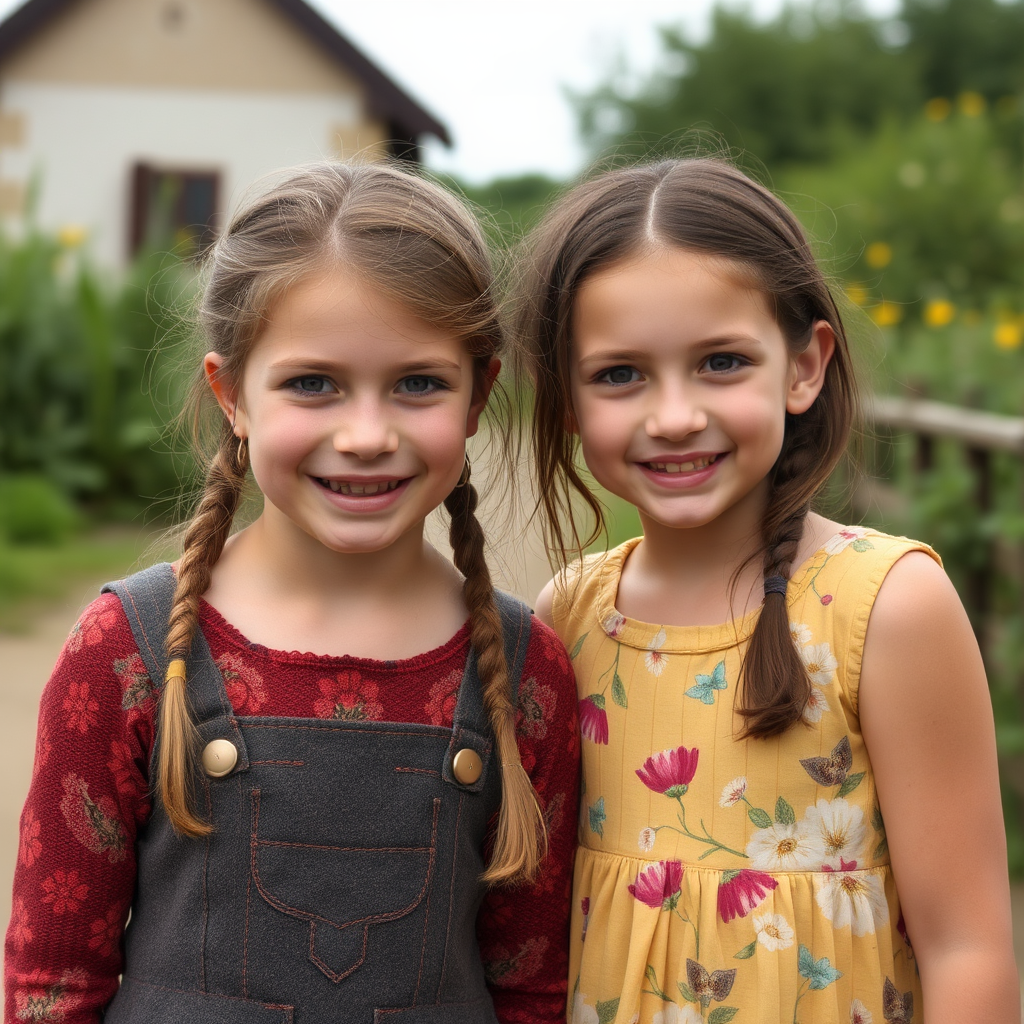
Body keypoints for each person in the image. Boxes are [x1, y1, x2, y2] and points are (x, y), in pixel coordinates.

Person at [5, 162, 579, 1023]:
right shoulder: (125, 649)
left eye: (418, 383)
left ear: (478, 396)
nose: (365, 435)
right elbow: (52, 983)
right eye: (313, 383)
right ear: (230, 393)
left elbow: (532, 987)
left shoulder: (528, 675)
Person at [513, 158, 1018, 1024]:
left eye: (720, 362)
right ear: (564, 395)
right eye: (619, 374)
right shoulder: (573, 614)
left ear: (803, 367)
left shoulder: (885, 606)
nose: (673, 415)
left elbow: (969, 949)